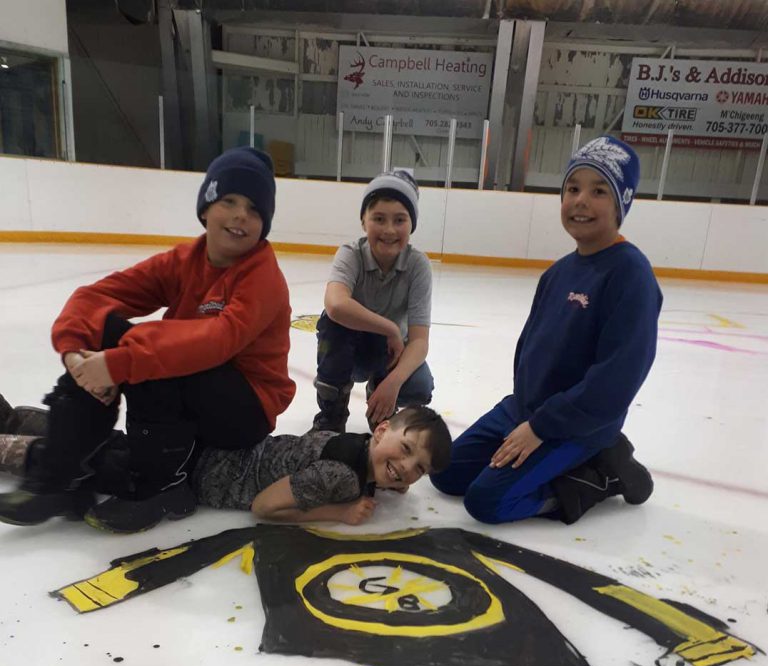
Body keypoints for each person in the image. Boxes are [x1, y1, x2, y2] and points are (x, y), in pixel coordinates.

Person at [0, 147, 294, 533]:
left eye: (255, 210)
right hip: (193, 385)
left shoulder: (262, 277)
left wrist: (120, 363)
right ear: (205, 208)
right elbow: (96, 297)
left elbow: (218, 339)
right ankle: (62, 476)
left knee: (153, 351)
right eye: (229, 200)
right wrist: (76, 354)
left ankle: (161, 487)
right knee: (112, 332)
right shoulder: (185, 260)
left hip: (245, 411)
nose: (242, 215)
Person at [431, 135, 661, 526]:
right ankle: (571, 457)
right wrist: (525, 413)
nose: (580, 201)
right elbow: (531, 349)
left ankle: (598, 476)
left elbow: (616, 381)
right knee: (445, 471)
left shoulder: (630, 275)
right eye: (572, 188)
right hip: (524, 411)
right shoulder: (558, 273)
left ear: (622, 202)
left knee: (487, 502)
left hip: (577, 425)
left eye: (599, 190)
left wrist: (540, 428)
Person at [0, 403, 452, 528]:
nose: (407, 468)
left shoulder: (356, 445)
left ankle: (17, 417)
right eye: (407, 449)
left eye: (420, 469)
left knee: (111, 442)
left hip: (211, 449)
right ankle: (11, 447)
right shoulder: (339, 476)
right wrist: (338, 512)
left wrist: (392, 478)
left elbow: (388, 464)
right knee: (105, 462)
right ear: (381, 431)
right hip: (203, 474)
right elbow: (263, 506)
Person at [313, 169, 434, 433]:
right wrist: (389, 328)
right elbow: (335, 304)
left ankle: (379, 390)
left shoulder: (418, 265)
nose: (389, 230)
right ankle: (332, 412)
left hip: (391, 353)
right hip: (351, 350)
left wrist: (393, 383)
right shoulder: (351, 254)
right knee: (332, 324)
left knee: (420, 388)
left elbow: (420, 341)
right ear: (363, 221)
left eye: (400, 220)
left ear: (411, 224)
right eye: (379, 218)